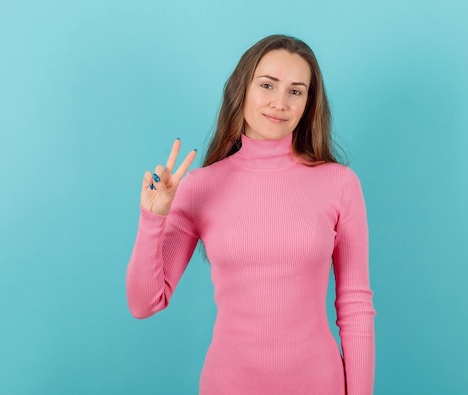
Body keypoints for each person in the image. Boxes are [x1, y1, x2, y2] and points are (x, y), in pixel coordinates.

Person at [126, 34, 375, 395]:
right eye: (267, 85)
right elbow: (144, 303)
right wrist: (152, 219)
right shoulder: (200, 186)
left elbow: (355, 305)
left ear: (309, 103)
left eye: (295, 91)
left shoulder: (339, 184)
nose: (279, 103)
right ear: (241, 89)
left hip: (319, 384)